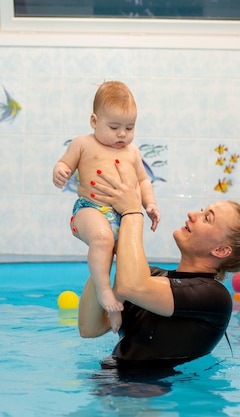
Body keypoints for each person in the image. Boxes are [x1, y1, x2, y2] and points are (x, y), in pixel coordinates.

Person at [78, 161, 240, 369]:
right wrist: (104, 251)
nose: (192, 214)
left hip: (151, 397)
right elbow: (89, 328)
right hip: (111, 388)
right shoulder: (151, 276)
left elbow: (132, 287)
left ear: (220, 250)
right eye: (202, 210)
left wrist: (132, 213)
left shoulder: (215, 298)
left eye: (207, 218)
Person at [53, 81, 161, 333]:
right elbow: (63, 163)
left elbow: (144, 181)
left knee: (130, 264)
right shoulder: (83, 143)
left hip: (121, 216)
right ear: (94, 120)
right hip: (89, 209)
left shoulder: (133, 152)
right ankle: (104, 293)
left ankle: (116, 309)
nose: (122, 134)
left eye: (129, 127)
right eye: (114, 127)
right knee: (102, 239)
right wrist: (60, 171)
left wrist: (151, 204)